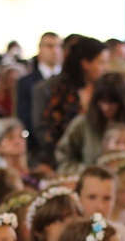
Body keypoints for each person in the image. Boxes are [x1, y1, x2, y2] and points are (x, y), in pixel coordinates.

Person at [56, 72, 125, 172]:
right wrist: (85, 171)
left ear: (122, 101)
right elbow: (63, 156)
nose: (106, 107)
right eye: (102, 101)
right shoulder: (82, 124)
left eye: (112, 102)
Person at [38, 36, 109, 165]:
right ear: (85, 63)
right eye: (101, 63)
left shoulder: (105, 90)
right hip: (63, 161)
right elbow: (47, 131)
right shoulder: (59, 91)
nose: (105, 68)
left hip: (100, 160)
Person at [16, 32, 63, 154]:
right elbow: (24, 117)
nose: (55, 50)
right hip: (37, 149)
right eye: (49, 46)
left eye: (58, 46)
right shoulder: (26, 82)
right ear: (40, 49)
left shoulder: (68, 81)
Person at [75, 165, 125, 241]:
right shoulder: (65, 238)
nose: (100, 206)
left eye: (107, 198)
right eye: (92, 197)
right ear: (78, 198)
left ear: (115, 199)